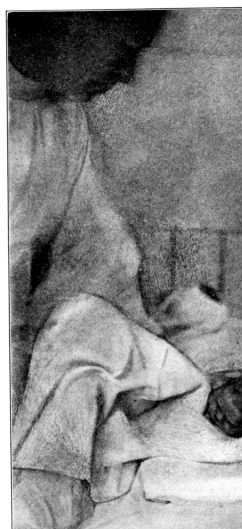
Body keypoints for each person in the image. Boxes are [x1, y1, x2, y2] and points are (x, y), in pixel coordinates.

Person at [8, 11, 166, 417]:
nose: (128, 75)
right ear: (72, 19)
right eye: (125, 49)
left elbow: (102, 254)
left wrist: (153, 358)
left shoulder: (66, 123)